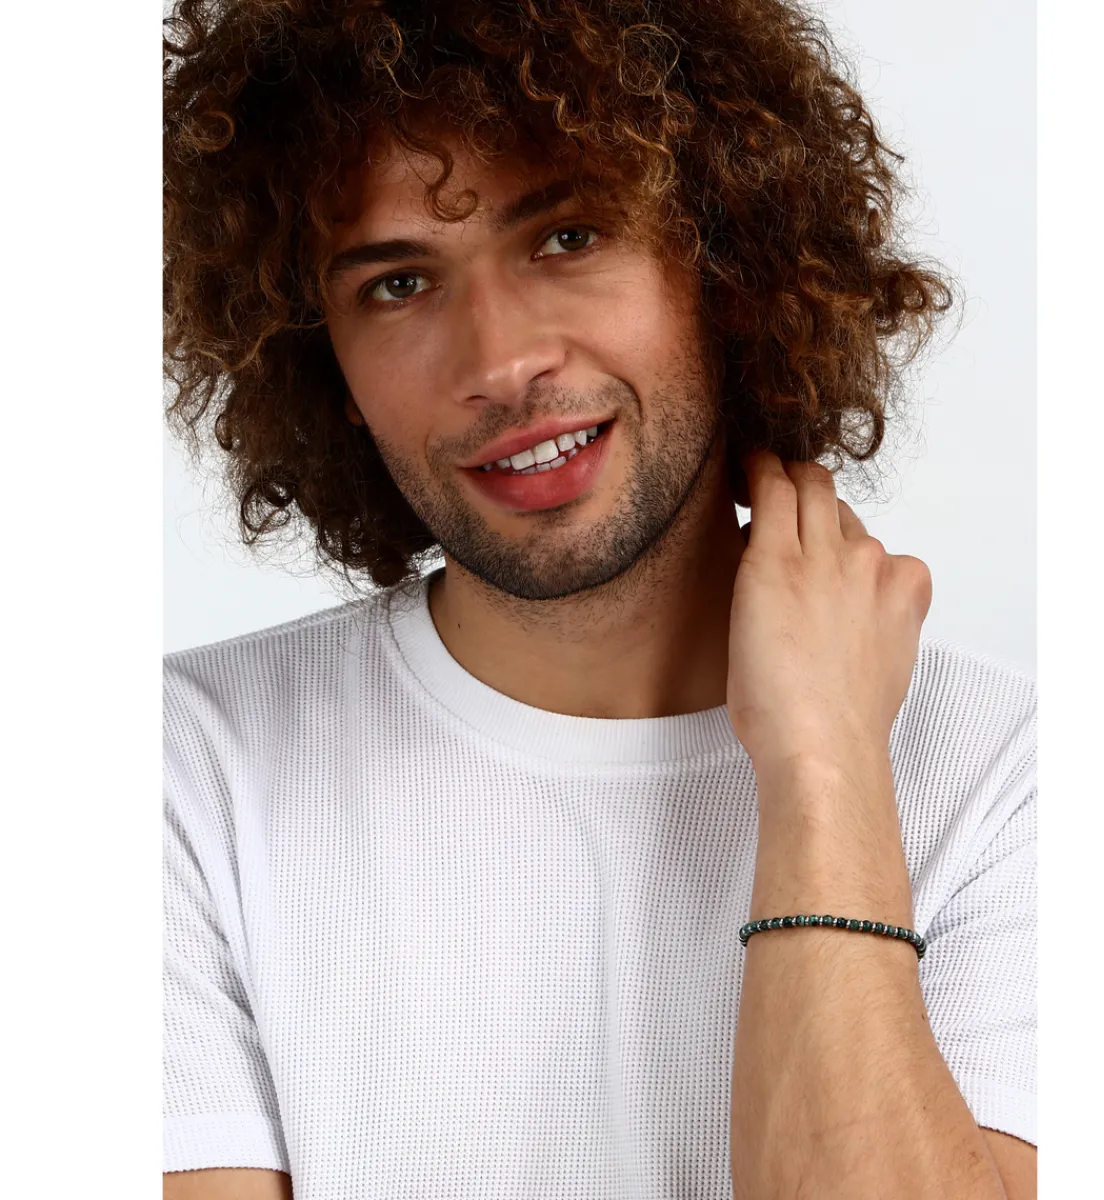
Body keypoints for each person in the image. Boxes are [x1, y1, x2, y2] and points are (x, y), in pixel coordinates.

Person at [162, 1, 1036, 1197]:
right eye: (400, 283)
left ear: (725, 263)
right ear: (325, 366)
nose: (498, 362)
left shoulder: (1014, 780)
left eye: (567, 237)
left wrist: (826, 775)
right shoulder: (179, 778)